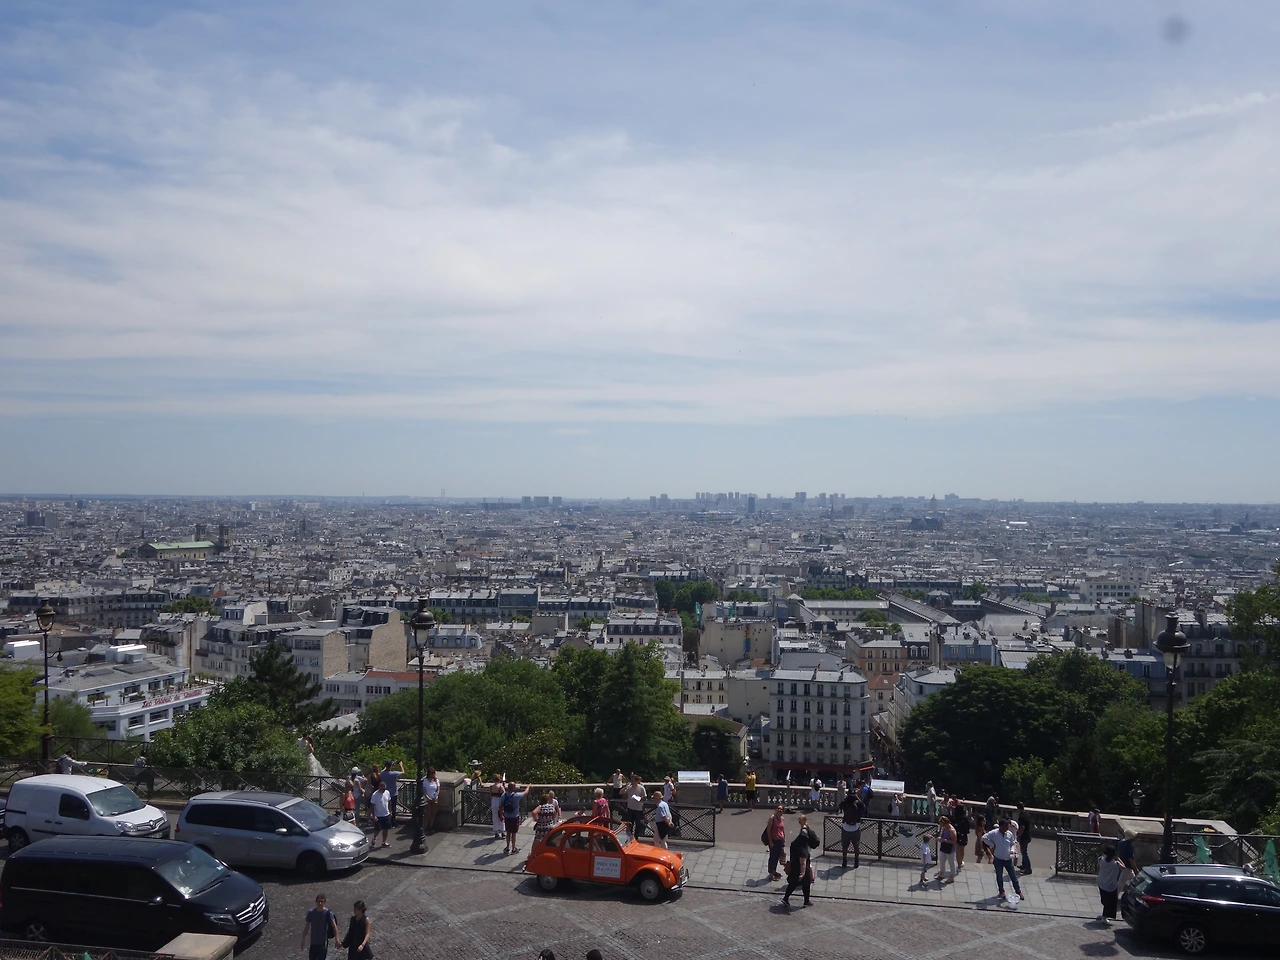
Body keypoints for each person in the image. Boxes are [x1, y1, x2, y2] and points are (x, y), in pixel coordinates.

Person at [982, 816, 1026, 903]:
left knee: (1013, 876)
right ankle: (1001, 891)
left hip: (1008, 859)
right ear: (1001, 826)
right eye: (1006, 826)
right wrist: (992, 844)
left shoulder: (1009, 834)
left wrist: (1012, 850)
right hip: (998, 858)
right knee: (999, 876)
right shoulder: (994, 833)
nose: (1007, 828)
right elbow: (984, 838)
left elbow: (1012, 843)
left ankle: (1018, 892)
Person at [782, 814, 818, 908]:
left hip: (794, 866)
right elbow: (803, 862)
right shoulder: (803, 850)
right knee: (799, 883)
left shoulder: (795, 844)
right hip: (800, 870)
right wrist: (802, 873)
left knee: (800, 884)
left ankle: (804, 900)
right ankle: (788, 898)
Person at [300, 892, 340, 960]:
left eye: (322, 902)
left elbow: (334, 926)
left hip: (323, 944)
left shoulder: (328, 913)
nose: (320, 903)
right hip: (313, 943)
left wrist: (337, 939)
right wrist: (303, 939)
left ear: (324, 902)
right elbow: (307, 927)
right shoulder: (311, 912)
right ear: (316, 901)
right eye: (319, 901)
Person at [501, 781, 530, 855]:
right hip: (514, 816)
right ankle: (513, 848)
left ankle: (507, 847)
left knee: (508, 833)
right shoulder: (516, 795)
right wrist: (528, 787)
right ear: (513, 788)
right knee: (514, 833)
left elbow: (501, 806)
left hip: (507, 816)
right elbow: (525, 793)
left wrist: (501, 815)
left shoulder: (504, 795)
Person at [1097, 843, 1123, 923]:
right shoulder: (1115, 864)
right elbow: (1124, 867)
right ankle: (1105, 917)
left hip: (1101, 883)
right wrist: (1118, 858)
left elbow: (1101, 858)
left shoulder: (1101, 860)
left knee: (1105, 900)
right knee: (1110, 902)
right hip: (1111, 885)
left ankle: (1104, 915)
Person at [839, 786, 864, 869]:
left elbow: (840, 805)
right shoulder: (858, 804)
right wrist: (857, 797)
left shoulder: (845, 803)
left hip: (846, 827)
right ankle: (856, 862)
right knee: (856, 847)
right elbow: (864, 808)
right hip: (856, 827)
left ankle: (844, 861)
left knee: (844, 847)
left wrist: (847, 797)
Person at [765, 804, 787, 881]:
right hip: (774, 840)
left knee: (777, 857)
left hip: (780, 840)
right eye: (778, 808)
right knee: (772, 857)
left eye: (781, 809)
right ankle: (771, 873)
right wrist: (770, 841)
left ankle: (774, 871)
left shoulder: (782, 819)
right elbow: (768, 830)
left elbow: (782, 830)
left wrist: (784, 839)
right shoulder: (772, 818)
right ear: (775, 809)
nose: (779, 810)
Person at [369, 781, 392, 848]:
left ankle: (384, 842)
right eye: (382, 789)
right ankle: (374, 838)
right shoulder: (375, 795)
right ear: (379, 787)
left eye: (384, 789)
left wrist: (390, 811)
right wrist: (373, 816)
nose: (383, 790)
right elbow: (372, 806)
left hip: (386, 814)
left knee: (386, 829)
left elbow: (389, 802)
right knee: (377, 829)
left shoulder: (387, 792)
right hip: (378, 815)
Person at [936, 815, 957, 883]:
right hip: (943, 847)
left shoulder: (951, 830)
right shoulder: (943, 828)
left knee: (951, 863)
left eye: (942, 824)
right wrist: (940, 838)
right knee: (942, 861)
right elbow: (941, 835)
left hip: (950, 848)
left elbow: (954, 841)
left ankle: (952, 877)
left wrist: (944, 840)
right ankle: (941, 874)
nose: (941, 826)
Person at [381, 760, 404, 824]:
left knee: (386, 807)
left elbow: (384, 770)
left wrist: (390, 765)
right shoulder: (393, 773)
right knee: (393, 808)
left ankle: (386, 821)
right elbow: (403, 772)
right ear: (390, 766)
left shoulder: (382, 773)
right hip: (393, 793)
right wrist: (401, 766)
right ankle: (393, 821)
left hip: (385, 793)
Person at [422, 766, 441, 833]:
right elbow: (424, 791)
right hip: (427, 799)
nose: (433, 775)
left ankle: (431, 827)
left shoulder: (436, 781)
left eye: (433, 773)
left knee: (433, 814)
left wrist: (436, 796)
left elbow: (438, 789)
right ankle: (426, 828)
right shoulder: (425, 781)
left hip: (434, 798)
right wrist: (428, 798)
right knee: (428, 814)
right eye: (431, 773)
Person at [953, 802, 971, 871]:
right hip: (963, 835)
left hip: (956, 834)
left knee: (957, 850)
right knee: (962, 849)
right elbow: (967, 828)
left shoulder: (954, 817)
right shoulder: (965, 818)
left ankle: (959, 865)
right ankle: (960, 862)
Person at [1016, 802, 1032, 875]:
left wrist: (1019, 835)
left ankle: (1028, 868)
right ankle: (1024, 865)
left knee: (1024, 852)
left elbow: (1022, 827)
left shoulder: (1021, 817)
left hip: (1024, 837)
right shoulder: (1027, 814)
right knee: (1023, 851)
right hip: (1028, 835)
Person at [489, 773, 506, 839]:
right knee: (501, 816)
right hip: (499, 801)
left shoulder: (491, 787)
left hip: (493, 801)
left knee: (495, 816)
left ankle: (496, 832)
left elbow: (490, 794)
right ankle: (502, 831)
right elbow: (504, 795)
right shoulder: (501, 787)